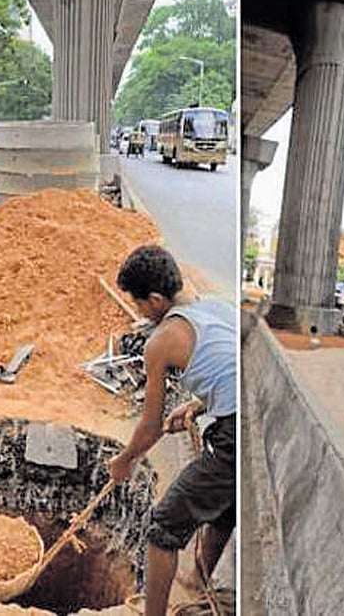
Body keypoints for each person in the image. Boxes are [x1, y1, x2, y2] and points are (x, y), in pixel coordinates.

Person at [107, 245, 235, 616]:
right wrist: (198, 405)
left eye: (139, 304)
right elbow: (233, 371)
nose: (139, 313)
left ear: (157, 299)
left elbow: (150, 425)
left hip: (232, 437)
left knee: (163, 528)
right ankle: (197, 580)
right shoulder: (218, 306)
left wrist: (126, 460)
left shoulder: (162, 340)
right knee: (224, 508)